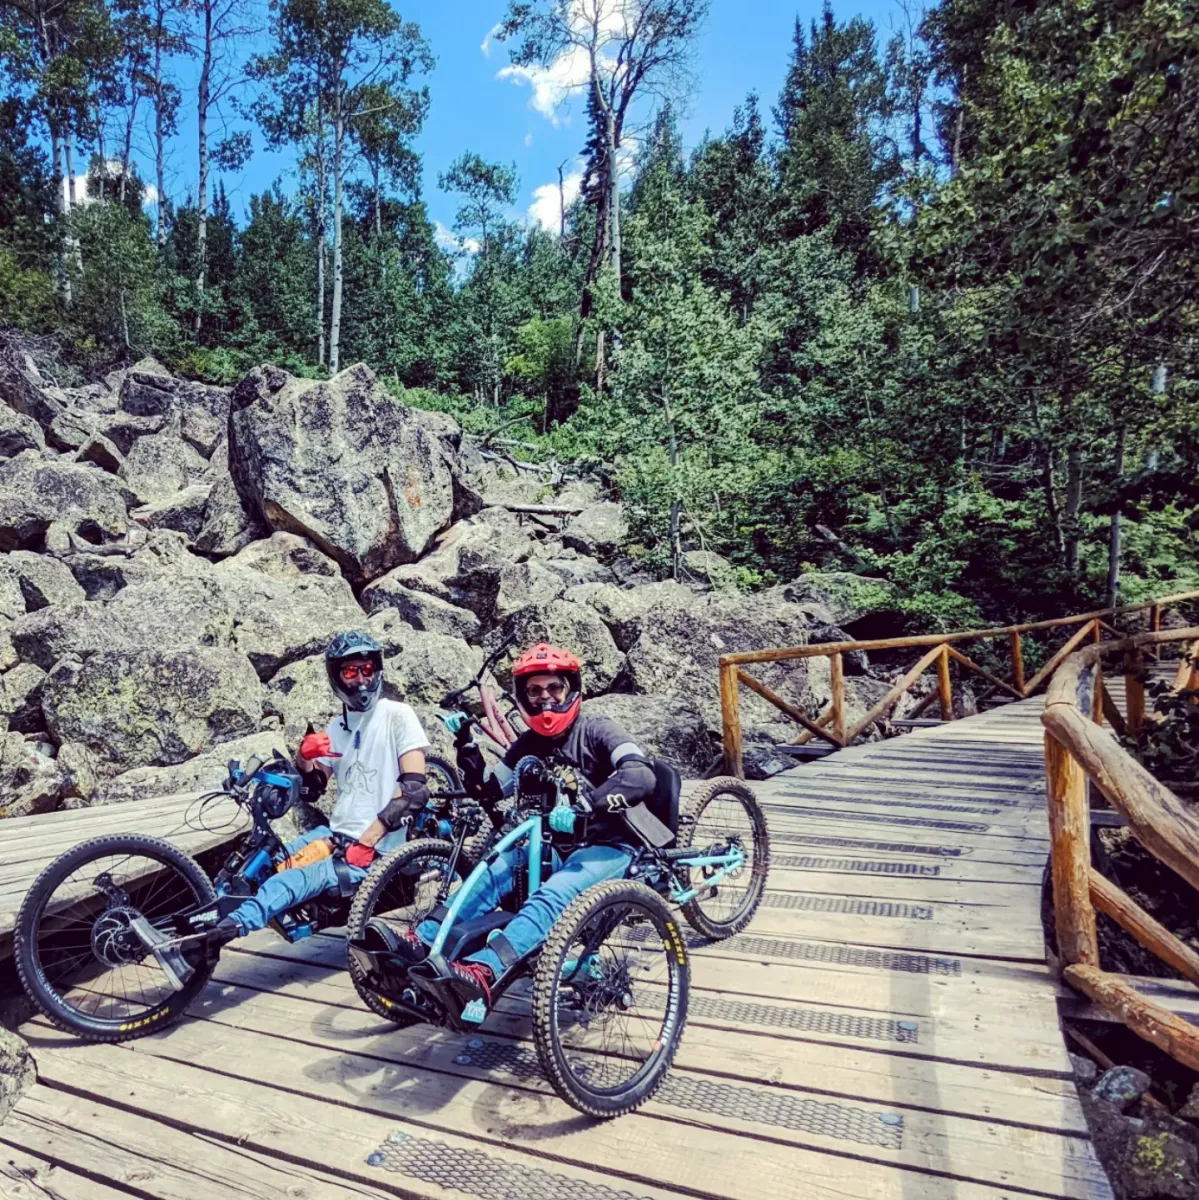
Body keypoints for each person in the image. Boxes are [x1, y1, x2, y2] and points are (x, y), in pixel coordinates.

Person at [382, 642, 672, 1012]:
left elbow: (640, 775)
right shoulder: (529, 743)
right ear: (523, 696)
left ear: (570, 689)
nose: (545, 698)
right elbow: (490, 791)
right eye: (534, 691)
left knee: (553, 894)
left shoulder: (597, 730)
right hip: (556, 845)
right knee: (492, 872)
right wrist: (466, 746)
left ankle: (486, 970)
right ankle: (421, 941)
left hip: (611, 844)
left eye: (554, 688)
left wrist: (588, 806)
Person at [143, 630, 432, 989]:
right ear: (337, 676)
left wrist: (367, 842)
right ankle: (184, 927)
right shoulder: (338, 726)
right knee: (255, 867)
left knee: (287, 882)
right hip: (334, 836)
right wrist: (304, 756)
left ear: (377, 670)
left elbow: (415, 792)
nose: (361, 679)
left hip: (376, 850)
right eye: (350, 672)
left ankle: (202, 947)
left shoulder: (397, 715)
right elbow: (313, 788)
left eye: (367, 669)